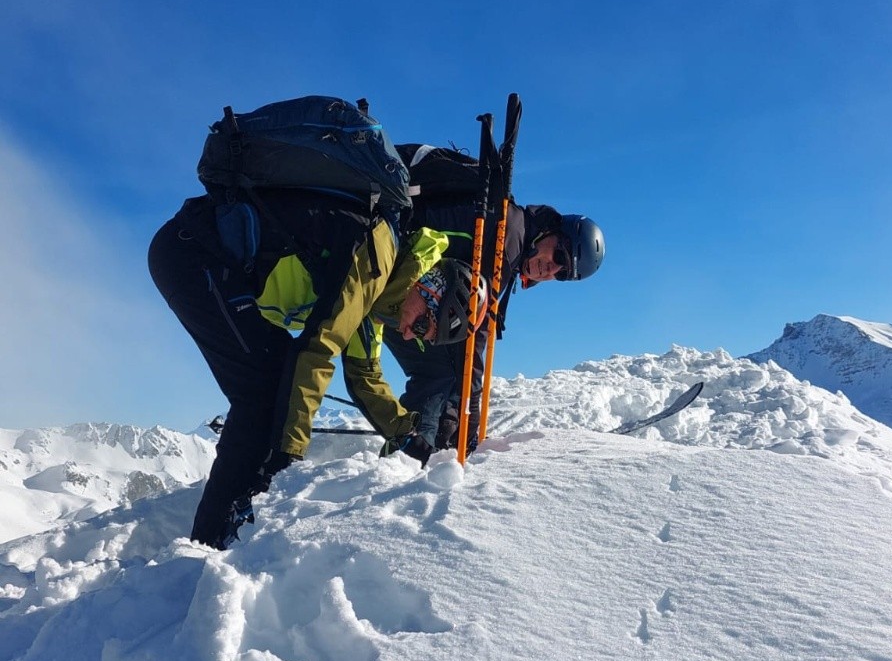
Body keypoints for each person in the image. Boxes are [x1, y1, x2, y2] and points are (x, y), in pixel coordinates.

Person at [149, 187, 483, 549]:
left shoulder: (384, 294)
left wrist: (409, 434)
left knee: (275, 382)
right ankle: (209, 545)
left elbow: (364, 375)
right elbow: (317, 351)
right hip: (194, 255)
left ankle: (229, 526)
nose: (407, 334)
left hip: (214, 267)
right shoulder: (377, 259)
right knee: (263, 391)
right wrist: (287, 457)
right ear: (429, 287)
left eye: (422, 338)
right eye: (421, 326)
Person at [382, 181, 605, 455]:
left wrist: (460, 411)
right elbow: (473, 337)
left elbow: (472, 330)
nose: (551, 268)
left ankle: (414, 453)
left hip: (397, 275)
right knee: (438, 373)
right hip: (387, 272)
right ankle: (409, 458)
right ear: (551, 230)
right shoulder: (507, 237)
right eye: (559, 254)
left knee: (444, 373)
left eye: (561, 273)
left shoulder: (510, 240)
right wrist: (468, 415)